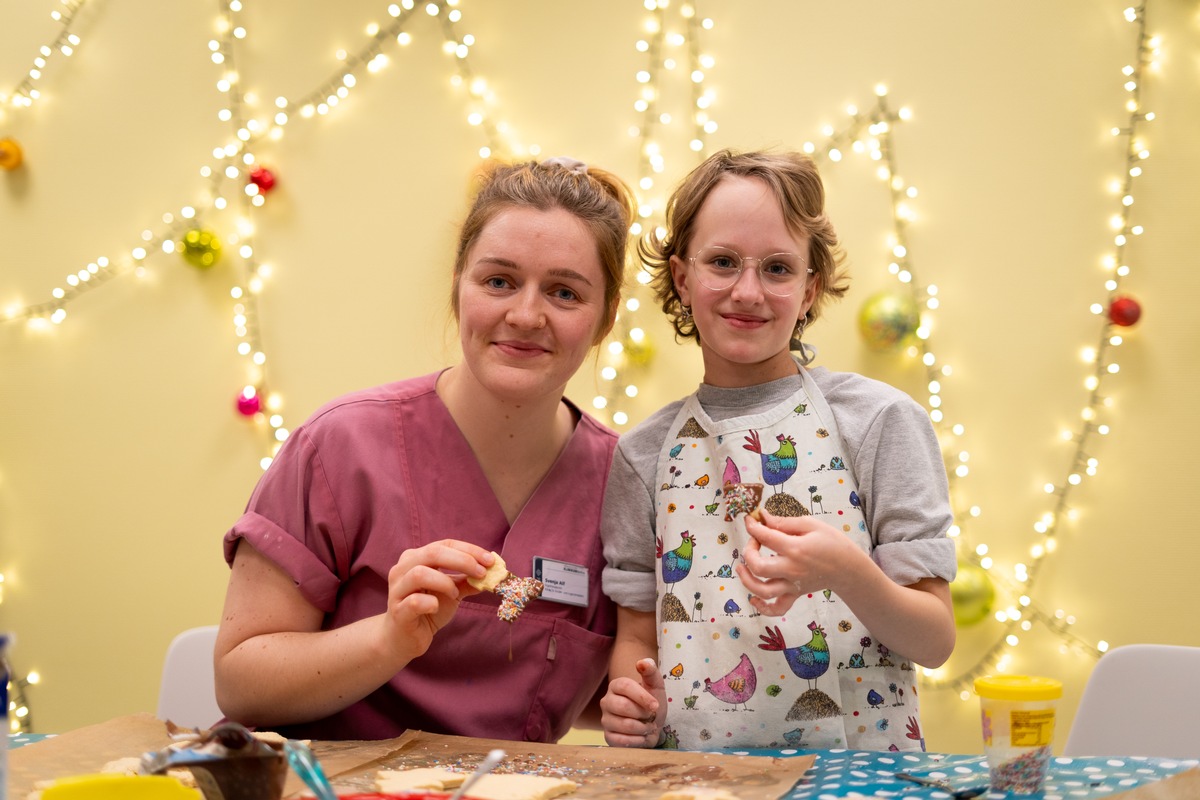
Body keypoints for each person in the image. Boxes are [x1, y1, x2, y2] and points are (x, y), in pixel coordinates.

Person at [214, 157, 637, 742]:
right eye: (498, 281)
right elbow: (240, 682)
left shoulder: (625, 484)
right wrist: (390, 640)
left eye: (564, 292)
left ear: (605, 319)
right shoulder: (340, 448)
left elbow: (593, 687)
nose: (524, 314)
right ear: (459, 286)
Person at [598, 149, 956, 751]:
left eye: (778, 269)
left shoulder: (880, 423)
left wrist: (845, 570)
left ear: (811, 288)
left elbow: (935, 640)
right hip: (698, 785)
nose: (748, 291)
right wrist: (633, 702)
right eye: (722, 262)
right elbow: (637, 637)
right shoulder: (642, 455)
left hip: (860, 782)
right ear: (682, 278)